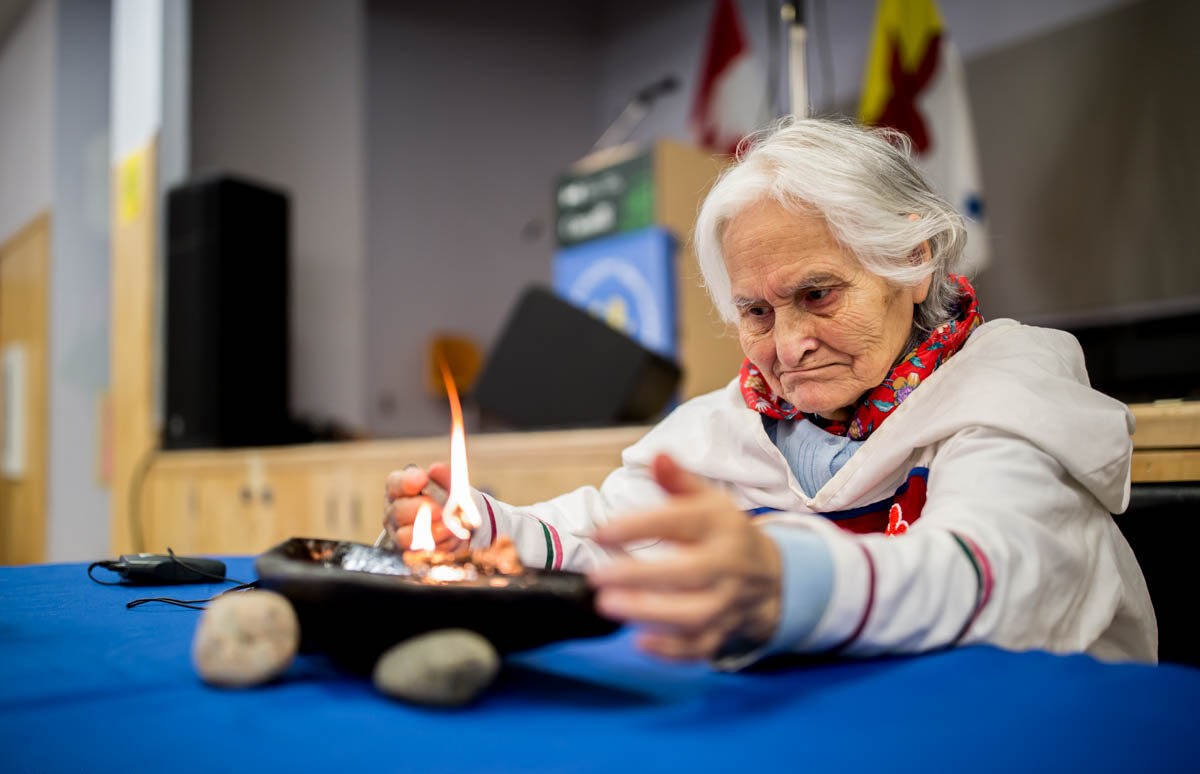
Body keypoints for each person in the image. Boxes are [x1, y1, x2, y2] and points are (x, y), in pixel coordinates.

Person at [383, 118, 1156, 667]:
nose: (787, 348)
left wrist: (791, 582)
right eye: (757, 312)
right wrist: (475, 526)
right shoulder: (723, 427)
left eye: (818, 295)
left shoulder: (1009, 384)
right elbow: (599, 537)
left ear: (913, 262)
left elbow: (991, 578)